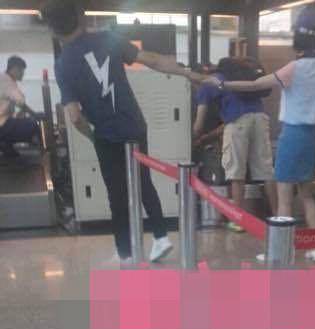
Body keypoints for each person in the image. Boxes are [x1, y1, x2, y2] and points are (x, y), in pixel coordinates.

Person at [40, 0, 201, 263]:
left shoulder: (63, 64)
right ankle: (161, 237)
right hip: (134, 125)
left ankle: (125, 252)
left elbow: (75, 117)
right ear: (79, 17)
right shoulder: (108, 39)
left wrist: (93, 137)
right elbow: (152, 60)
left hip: (106, 135)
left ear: (52, 29)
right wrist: (188, 73)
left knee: (117, 193)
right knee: (143, 181)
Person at [202, 10, 315, 261]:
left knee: (284, 198)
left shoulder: (295, 68)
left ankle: (280, 250)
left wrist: (223, 84)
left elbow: (256, 85)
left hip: (292, 135)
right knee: (306, 195)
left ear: (298, 41)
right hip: (310, 136)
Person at [194, 56, 277, 232]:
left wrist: (193, 139)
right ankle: (278, 217)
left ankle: (237, 221)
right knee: (266, 171)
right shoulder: (236, 76)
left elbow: (199, 124)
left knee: (236, 173)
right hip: (260, 119)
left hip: (238, 124)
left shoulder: (206, 85)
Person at [0, 56, 39, 157]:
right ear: (14, 69)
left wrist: (19, 114)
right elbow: (20, 102)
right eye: (21, 70)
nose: (23, 74)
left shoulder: (3, 78)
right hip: (2, 126)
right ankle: (43, 151)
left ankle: (5, 145)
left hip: (3, 122)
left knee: (16, 120)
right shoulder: (7, 82)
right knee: (32, 125)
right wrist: (35, 115)